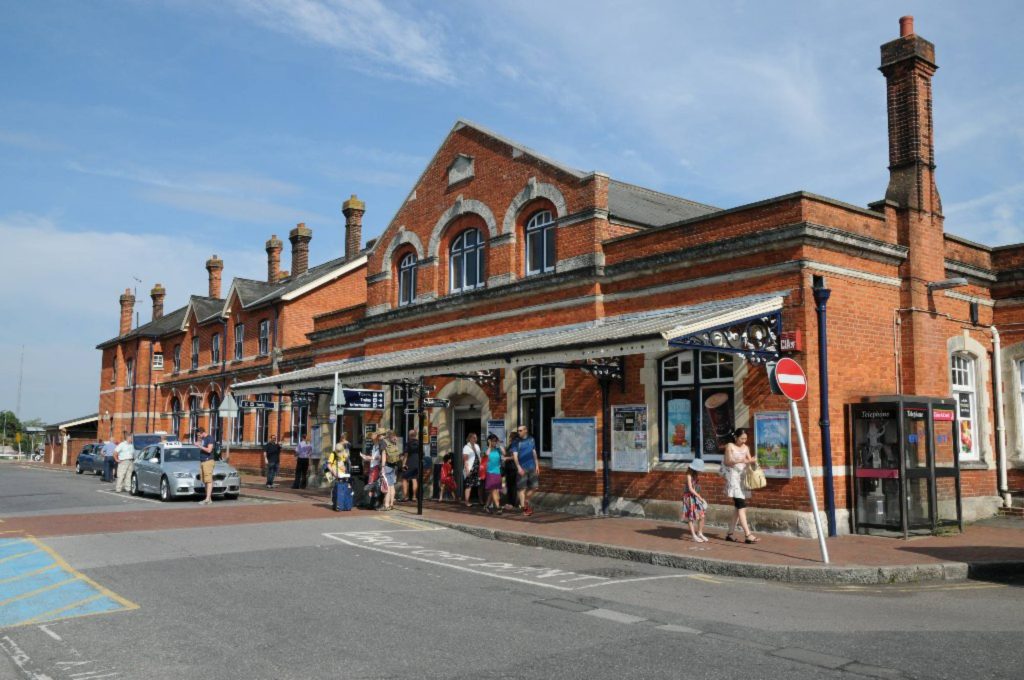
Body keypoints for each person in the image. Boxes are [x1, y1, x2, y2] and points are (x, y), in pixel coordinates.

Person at [723, 428, 759, 543]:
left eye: (745, 439)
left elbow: (750, 461)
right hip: (734, 478)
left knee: (737, 508)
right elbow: (727, 462)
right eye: (742, 438)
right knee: (742, 506)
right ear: (736, 437)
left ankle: (730, 534)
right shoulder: (730, 446)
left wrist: (753, 460)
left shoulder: (746, 448)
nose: (744, 441)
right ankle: (748, 535)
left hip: (743, 479)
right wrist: (738, 461)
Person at [511, 424, 540, 516]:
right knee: (522, 489)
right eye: (518, 431)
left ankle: (526, 501)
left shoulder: (531, 439)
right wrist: (518, 467)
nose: (518, 432)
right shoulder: (516, 441)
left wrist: (537, 465)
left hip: (531, 466)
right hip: (522, 468)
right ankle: (524, 508)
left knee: (535, 487)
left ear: (525, 430)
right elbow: (515, 456)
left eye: (520, 430)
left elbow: (534, 452)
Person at [682, 458, 708, 542]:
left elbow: (695, 487)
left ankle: (699, 533)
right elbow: (690, 488)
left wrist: (699, 496)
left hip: (695, 496)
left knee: (702, 515)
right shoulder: (688, 475)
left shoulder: (695, 475)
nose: (700, 471)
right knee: (691, 517)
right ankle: (693, 536)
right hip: (689, 497)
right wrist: (699, 497)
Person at [483, 433, 504, 514]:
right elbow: (487, 454)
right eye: (493, 441)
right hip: (490, 472)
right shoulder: (487, 450)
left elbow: (504, 452)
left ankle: (486, 506)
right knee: (494, 490)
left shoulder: (498, 450)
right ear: (489, 441)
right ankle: (498, 507)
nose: (494, 442)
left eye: (495, 441)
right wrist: (489, 445)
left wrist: (499, 444)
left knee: (493, 491)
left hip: (497, 473)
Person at [196, 427, 216, 505]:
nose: (199, 436)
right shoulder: (203, 439)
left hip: (208, 461)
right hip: (203, 461)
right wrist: (199, 443)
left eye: (199, 435)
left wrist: (200, 446)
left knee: (208, 480)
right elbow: (201, 445)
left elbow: (209, 450)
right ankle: (208, 498)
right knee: (205, 480)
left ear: (202, 432)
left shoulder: (209, 438)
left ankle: (207, 499)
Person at [401, 428, 421, 504]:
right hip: (417, 462)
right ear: (415, 435)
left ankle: (405, 496)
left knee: (404, 479)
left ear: (409, 436)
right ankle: (414, 496)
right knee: (414, 479)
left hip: (409, 462)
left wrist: (403, 464)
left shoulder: (408, 443)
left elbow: (406, 455)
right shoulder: (419, 443)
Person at [462, 432, 481, 507]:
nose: (475, 439)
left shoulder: (477, 446)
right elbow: (465, 460)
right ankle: (466, 501)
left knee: (479, 485)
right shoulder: (466, 447)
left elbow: (479, 456)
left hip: (477, 468)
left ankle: (481, 500)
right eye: (473, 437)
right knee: (469, 485)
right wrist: (467, 470)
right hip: (470, 468)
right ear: (469, 438)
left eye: (476, 437)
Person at [381, 430, 400, 508]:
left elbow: (383, 455)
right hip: (394, 466)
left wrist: (382, 467)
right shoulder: (394, 442)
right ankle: (392, 503)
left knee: (387, 485)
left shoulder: (384, 442)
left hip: (387, 466)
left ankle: (386, 504)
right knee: (392, 485)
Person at [503, 432, 520, 510]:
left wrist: (506, 458)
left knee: (512, 486)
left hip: (513, 468)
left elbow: (514, 457)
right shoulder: (511, 445)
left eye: (510, 436)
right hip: (509, 468)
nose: (509, 438)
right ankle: (510, 503)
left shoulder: (515, 444)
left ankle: (512, 503)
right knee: (509, 486)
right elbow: (507, 454)